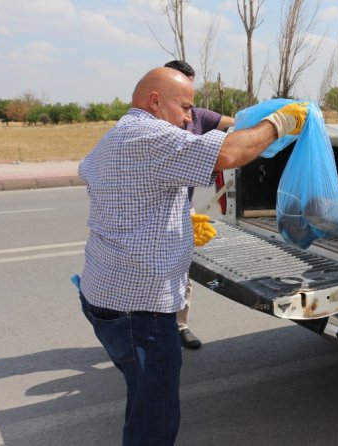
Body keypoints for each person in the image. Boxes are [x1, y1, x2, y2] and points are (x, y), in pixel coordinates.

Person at [77, 67, 307, 445]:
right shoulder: (151, 135)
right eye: (184, 107)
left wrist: (175, 224)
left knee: (142, 392)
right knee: (155, 414)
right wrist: (280, 123)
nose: (189, 118)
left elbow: (119, 191)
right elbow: (230, 152)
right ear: (154, 101)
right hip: (141, 309)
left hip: (104, 295)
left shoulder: (118, 134)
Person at [164, 59, 235, 350]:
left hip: (184, 208)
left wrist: (269, 121)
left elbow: (235, 126)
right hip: (156, 210)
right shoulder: (151, 124)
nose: (187, 109)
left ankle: (180, 326)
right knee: (153, 270)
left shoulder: (198, 117)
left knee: (183, 270)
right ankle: (146, 327)